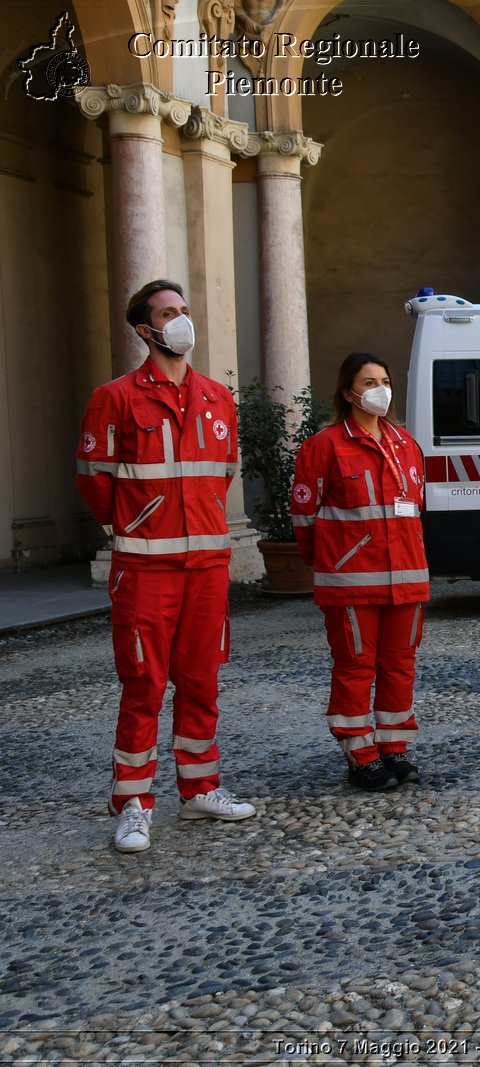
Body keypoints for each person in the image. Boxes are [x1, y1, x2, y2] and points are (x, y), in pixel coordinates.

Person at [75, 279, 258, 853]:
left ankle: (200, 788)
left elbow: (221, 474)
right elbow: (94, 482)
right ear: (144, 330)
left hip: (206, 564)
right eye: (169, 313)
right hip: (146, 567)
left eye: (184, 310)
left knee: (202, 680)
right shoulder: (116, 397)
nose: (182, 320)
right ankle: (133, 802)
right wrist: (138, 525)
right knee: (144, 684)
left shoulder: (216, 397)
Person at [291, 353, 429, 791]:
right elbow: (303, 517)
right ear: (349, 391)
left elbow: (414, 510)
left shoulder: (406, 445)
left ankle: (393, 748)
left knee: (399, 665)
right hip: (351, 582)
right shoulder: (324, 446)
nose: (380, 389)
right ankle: (360, 756)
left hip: (406, 578)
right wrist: (332, 563)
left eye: (384, 380)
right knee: (355, 667)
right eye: (369, 381)